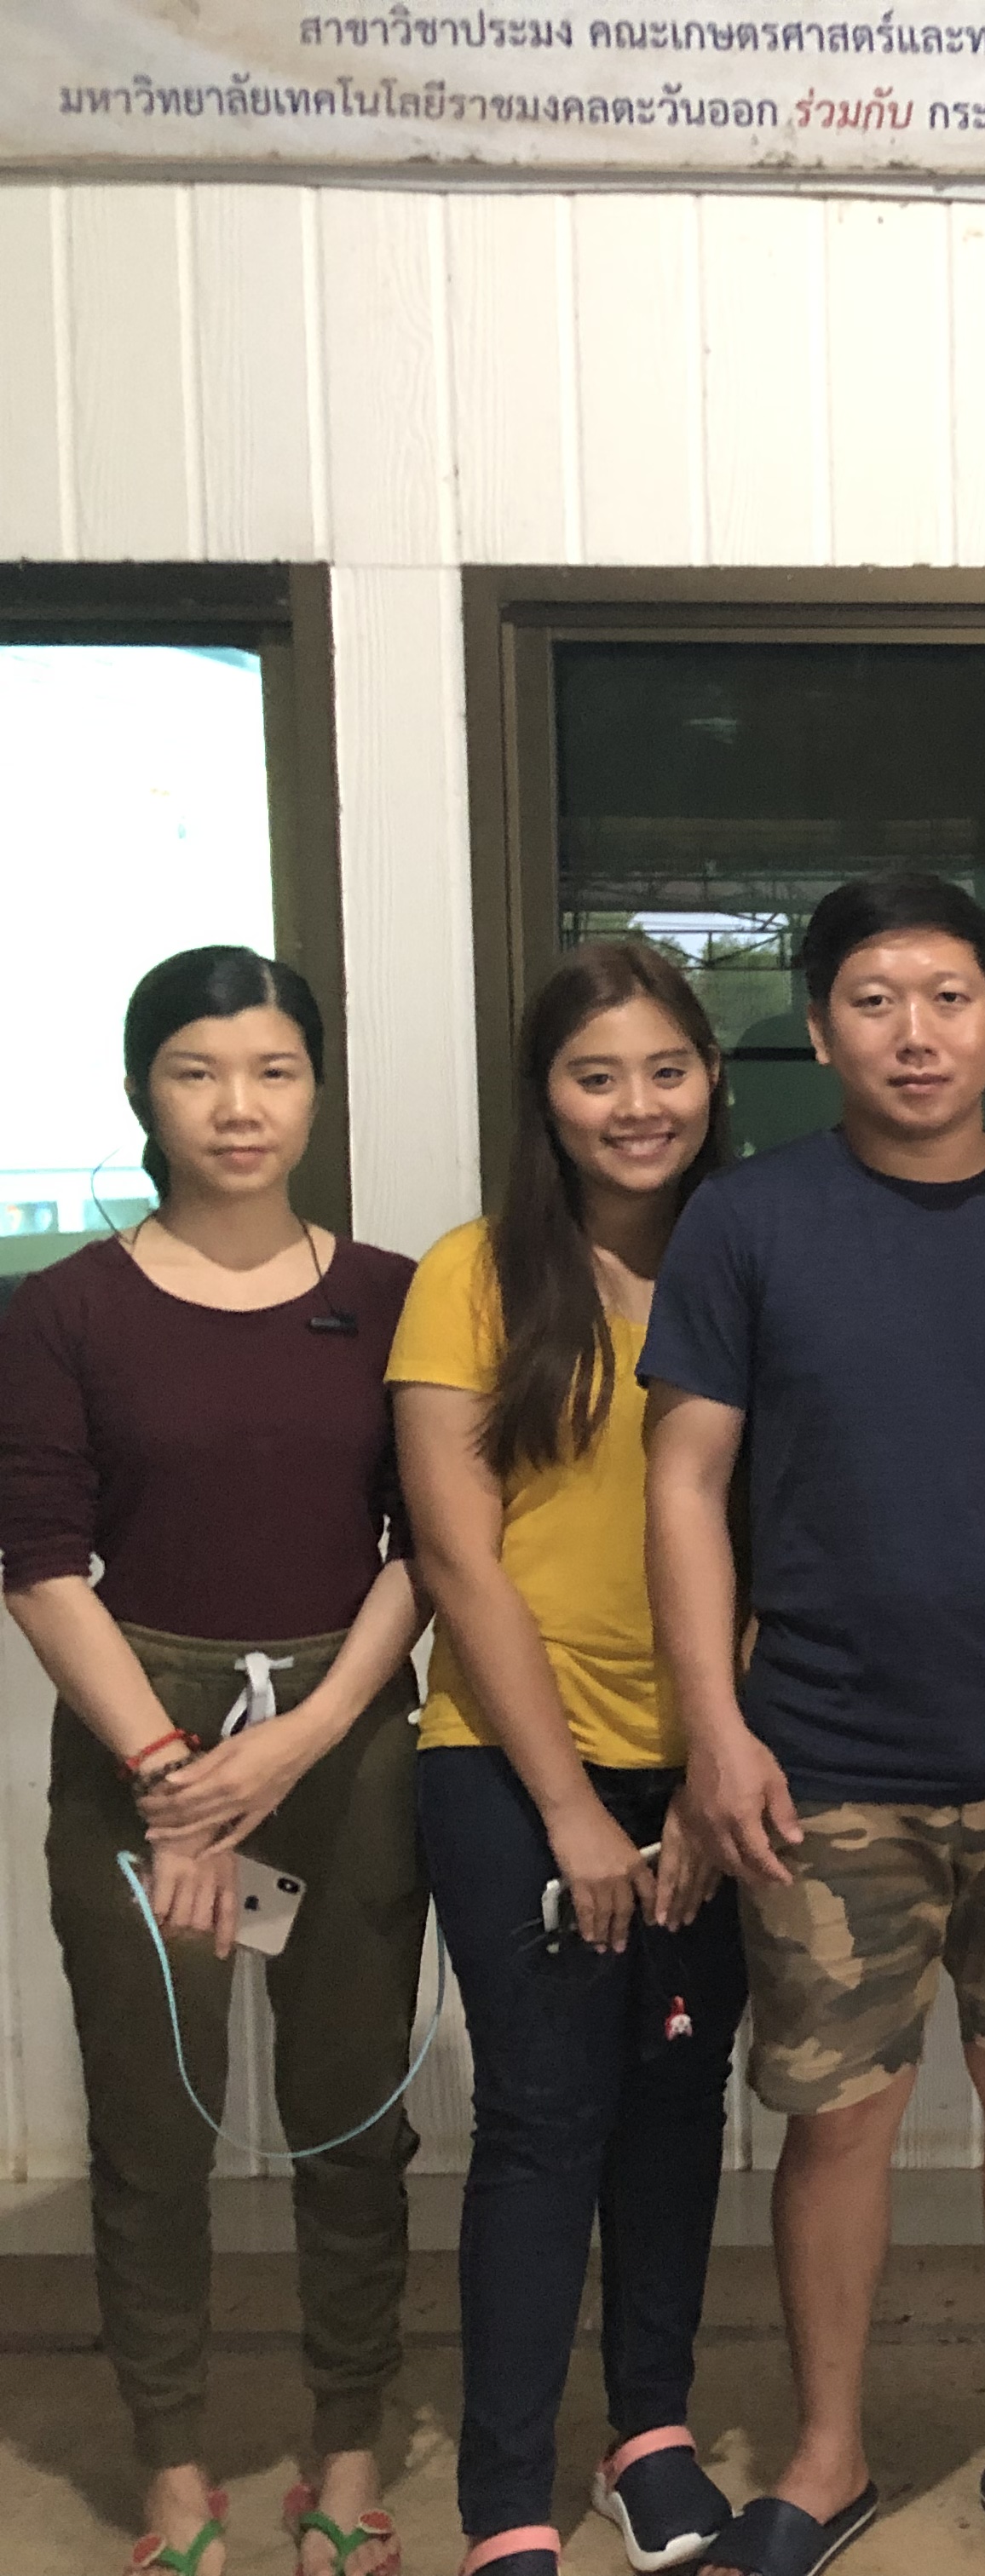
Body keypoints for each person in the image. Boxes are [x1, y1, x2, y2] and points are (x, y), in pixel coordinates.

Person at [639, 873, 985, 2576]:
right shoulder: (748, 1224)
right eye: (874, 1000)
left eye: (949, 997)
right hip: (822, 1762)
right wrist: (714, 1729)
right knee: (837, 2119)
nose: (915, 1032)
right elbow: (685, 1480)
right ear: (819, 1032)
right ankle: (826, 2452)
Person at [0, 948, 428, 2576]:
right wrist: (177, 1776)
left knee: (349, 2122)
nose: (237, 1106)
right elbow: (41, 1561)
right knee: (150, 2130)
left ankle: (347, 2445)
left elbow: (433, 1545)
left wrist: (302, 1739)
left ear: (316, 1088)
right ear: (143, 1092)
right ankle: (174, 2469)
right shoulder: (66, 1310)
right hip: (142, 1741)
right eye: (196, 1071)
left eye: (272, 1069)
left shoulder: (390, 1295)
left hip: (346, 1733)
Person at [390, 943, 748, 2576]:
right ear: (545, 1097)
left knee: (677, 2098)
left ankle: (650, 2434)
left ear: (714, 1079)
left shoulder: (755, 1256)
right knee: (543, 2118)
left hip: (712, 1769)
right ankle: (505, 2497)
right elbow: (456, 1562)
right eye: (596, 1076)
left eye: (666, 1069)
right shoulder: (473, 1274)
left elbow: (790, 1532)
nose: (636, 1106)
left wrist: (710, 1769)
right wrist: (570, 1813)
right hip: (508, 1766)